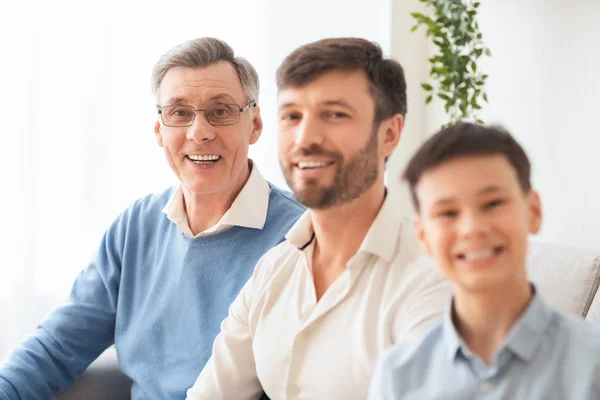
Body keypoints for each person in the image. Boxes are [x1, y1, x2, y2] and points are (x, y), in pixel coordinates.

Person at [0, 37, 304, 400]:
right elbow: (54, 349)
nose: (199, 132)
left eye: (220, 111)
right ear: (160, 131)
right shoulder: (135, 228)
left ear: (254, 125)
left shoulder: (298, 237)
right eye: (179, 113)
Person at [186, 37, 451, 400]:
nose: (305, 138)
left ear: (389, 134)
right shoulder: (273, 271)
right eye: (292, 116)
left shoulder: (433, 278)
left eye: (335, 114)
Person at [368, 122, 600, 400]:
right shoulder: (398, 375)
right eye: (447, 213)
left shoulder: (591, 363)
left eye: (493, 204)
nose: (472, 228)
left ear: (533, 211)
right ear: (424, 236)